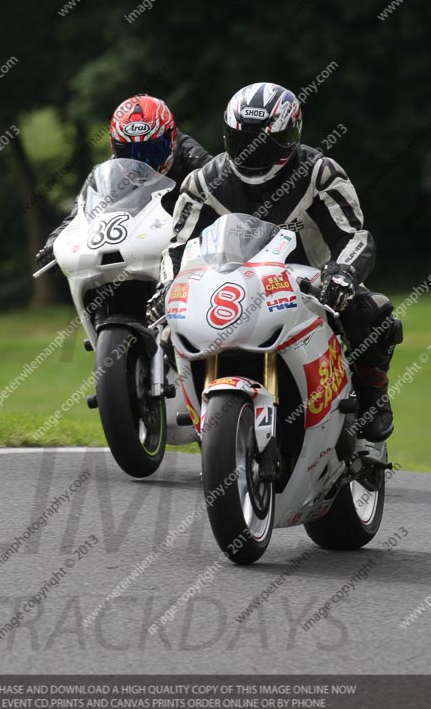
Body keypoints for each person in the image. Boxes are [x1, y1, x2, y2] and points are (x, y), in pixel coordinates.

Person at [147, 82, 402, 443]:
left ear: (289, 136)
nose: (251, 153)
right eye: (242, 141)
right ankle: (206, 407)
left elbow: (354, 235)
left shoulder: (320, 173)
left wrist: (343, 272)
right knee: (170, 331)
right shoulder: (202, 184)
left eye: (263, 142)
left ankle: (374, 395)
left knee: (372, 314)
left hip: (313, 281)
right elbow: (177, 248)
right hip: (230, 283)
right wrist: (167, 286)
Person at [35, 94, 212, 266]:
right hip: (135, 254)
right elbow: (79, 215)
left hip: (189, 252)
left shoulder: (193, 157)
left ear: (171, 139)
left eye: (152, 151)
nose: (140, 162)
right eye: (128, 151)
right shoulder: (108, 174)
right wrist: (55, 241)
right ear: (114, 146)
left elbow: (227, 186)